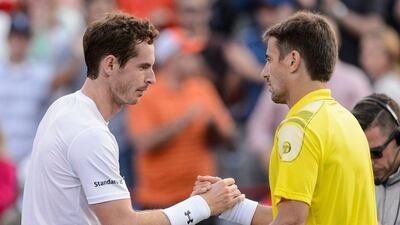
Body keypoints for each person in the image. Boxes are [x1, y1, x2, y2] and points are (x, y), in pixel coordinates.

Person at [21, 12, 243, 225]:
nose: (152, 78)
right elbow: (122, 222)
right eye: (143, 67)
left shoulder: (63, 107)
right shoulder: (90, 132)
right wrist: (202, 205)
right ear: (110, 65)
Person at [193, 11, 378, 225]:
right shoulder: (347, 120)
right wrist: (230, 206)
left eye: (269, 59)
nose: (264, 72)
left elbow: (290, 221)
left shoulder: (297, 128)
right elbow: (302, 215)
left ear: (292, 61)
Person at [352, 93, 400, 225]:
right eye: (362, 154)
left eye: (376, 153)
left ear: (398, 139)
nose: (369, 163)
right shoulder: (349, 179)